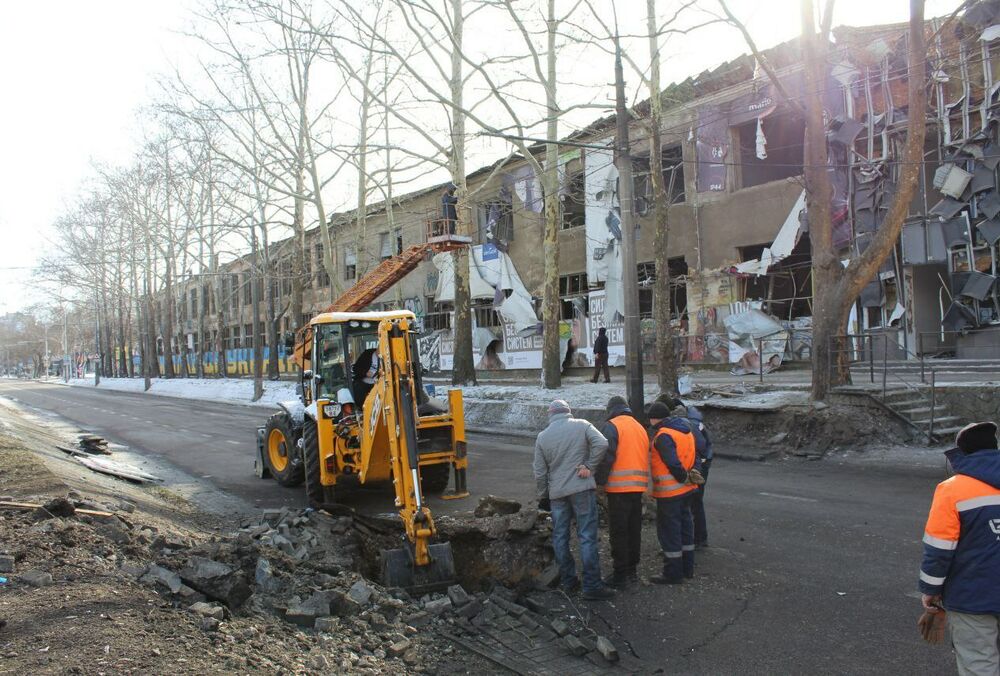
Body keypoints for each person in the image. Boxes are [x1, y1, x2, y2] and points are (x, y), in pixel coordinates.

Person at [920, 421, 1000, 676]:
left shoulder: (952, 490)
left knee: (979, 662)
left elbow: (939, 548)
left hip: (972, 596)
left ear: (962, 452)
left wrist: (931, 591)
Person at [533, 399, 613, 601]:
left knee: (560, 537)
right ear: (568, 412)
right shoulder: (582, 425)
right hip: (581, 488)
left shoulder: (543, 437)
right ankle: (592, 586)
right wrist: (589, 466)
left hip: (558, 493)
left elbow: (539, 472)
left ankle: (569, 582)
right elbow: (602, 443)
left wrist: (543, 495)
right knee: (586, 535)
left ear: (551, 415)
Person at [595, 395, 650, 588]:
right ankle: (632, 571)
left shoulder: (612, 426)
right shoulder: (639, 427)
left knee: (619, 531)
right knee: (634, 530)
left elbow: (606, 456)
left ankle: (620, 575)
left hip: (619, 488)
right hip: (638, 487)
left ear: (611, 410)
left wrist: (599, 482)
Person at [647, 400, 702, 584]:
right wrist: (690, 476)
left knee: (670, 532)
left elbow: (672, 462)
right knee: (686, 528)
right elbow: (695, 456)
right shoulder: (685, 430)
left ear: (655, 419)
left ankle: (673, 573)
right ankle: (687, 568)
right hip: (687, 490)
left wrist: (681, 477)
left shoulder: (663, 435)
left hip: (670, 493)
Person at [659, 395, 713, 548]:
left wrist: (693, 467)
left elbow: (699, 447)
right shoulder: (689, 419)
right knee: (694, 502)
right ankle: (697, 538)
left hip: (698, 465)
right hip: (700, 462)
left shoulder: (687, 423)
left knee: (694, 501)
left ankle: (699, 539)